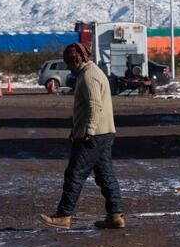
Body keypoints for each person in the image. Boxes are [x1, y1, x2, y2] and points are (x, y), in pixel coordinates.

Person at [40, 42, 125, 229]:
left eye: (69, 62)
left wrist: (89, 131)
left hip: (94, 135)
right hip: (104, 132)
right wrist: (77, 129)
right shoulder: (92, 72)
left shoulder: (89, 76)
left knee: (74, 174)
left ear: (76, 60)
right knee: (104, 175)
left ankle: (63, 216)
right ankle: (115, 215)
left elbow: (94, 105)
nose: (69, 67)